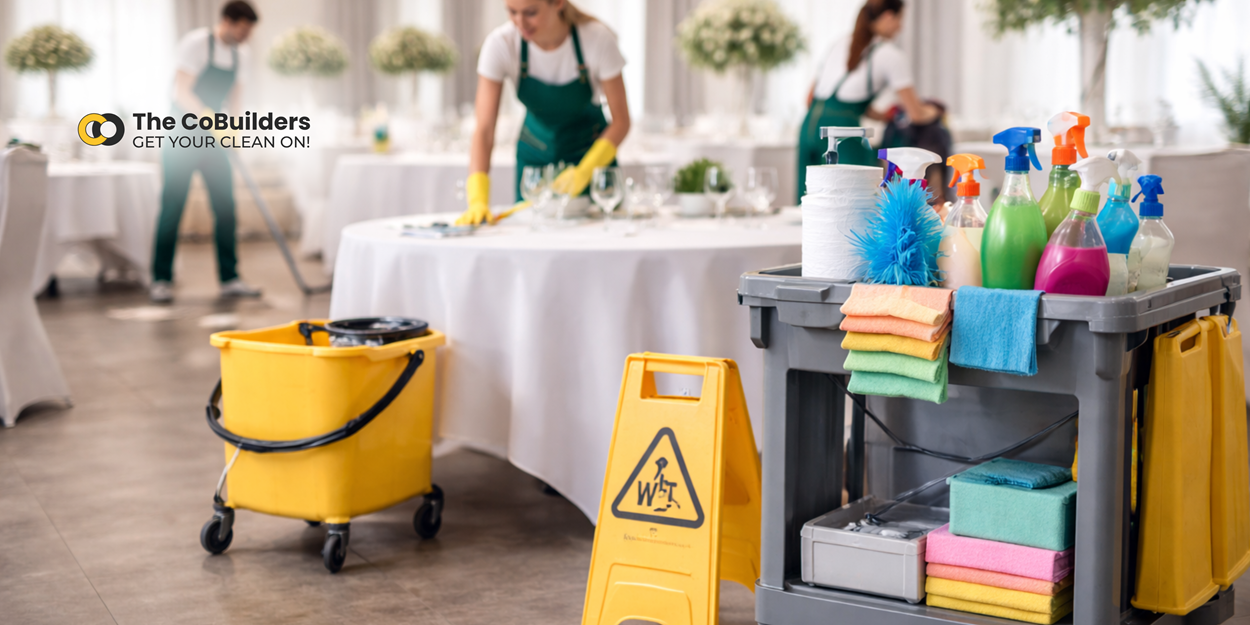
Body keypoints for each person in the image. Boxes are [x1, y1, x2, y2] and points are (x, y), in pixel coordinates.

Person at [456, 0, 631, 226]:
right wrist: (478, 199)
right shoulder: (501, 44)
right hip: (534, 161)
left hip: (592, 158)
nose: (520, 22)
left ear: (558, 3)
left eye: (530, 13)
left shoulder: (597, 39)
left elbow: (622, 122)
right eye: (512, 12)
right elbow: (484, 130)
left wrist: (585, 171)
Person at [150, 0, 261, 303]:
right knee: (173, 204)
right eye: (243, 29)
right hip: (181, 133)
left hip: (215, 138)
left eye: (249, 31)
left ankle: (230, 277)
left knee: (225, 206)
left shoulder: (242, 54)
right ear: (227, 20)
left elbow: (237, 97)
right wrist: (213, 119)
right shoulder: (196, 44)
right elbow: (181, 91)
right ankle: (161, 278)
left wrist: (235, 130)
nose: (245, 36)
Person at [795, 0, 939, 201]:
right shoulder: (891, 55)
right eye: (900, 20)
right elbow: (916, 114)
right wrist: (937, 111)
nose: (901, 27)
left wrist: (880, 116)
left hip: (808, 128)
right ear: (888, 16)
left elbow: (812, 98)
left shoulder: (839, 44)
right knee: (855, 201)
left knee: (810, 203)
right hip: (843, 134)